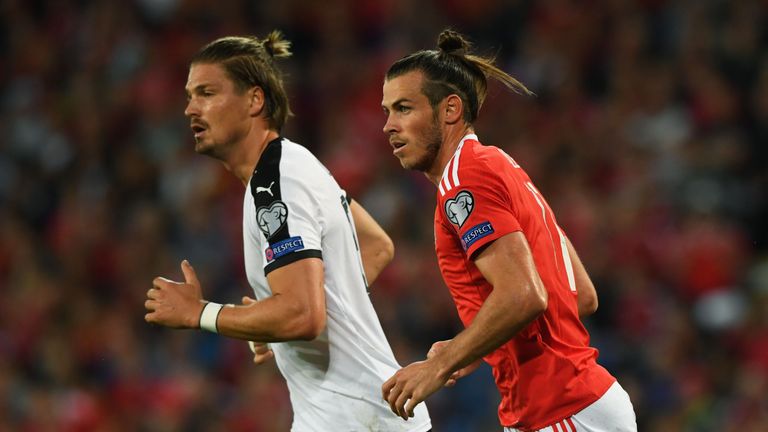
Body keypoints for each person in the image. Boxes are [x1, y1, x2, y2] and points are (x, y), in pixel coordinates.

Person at [144, 31, 431, 432]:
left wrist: (201, 313)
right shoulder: (294, 164)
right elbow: (375, 246)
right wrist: (278, 323)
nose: (191, 108)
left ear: (254, 100)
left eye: (207, 93)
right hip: (360, 413)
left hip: (354, 419)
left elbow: (302, 313)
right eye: (190, 95)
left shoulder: (276, 182)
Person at [380, 29, 637, 432]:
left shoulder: (463, 179)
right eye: (387, 111)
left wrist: (439, 365)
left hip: (559, 407)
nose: (389, 126)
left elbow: (524, 293)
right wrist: (470, 348)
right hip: (576, 407)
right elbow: (579, 294)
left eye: (404, 108)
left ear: (450, 110)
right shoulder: (498, 164)